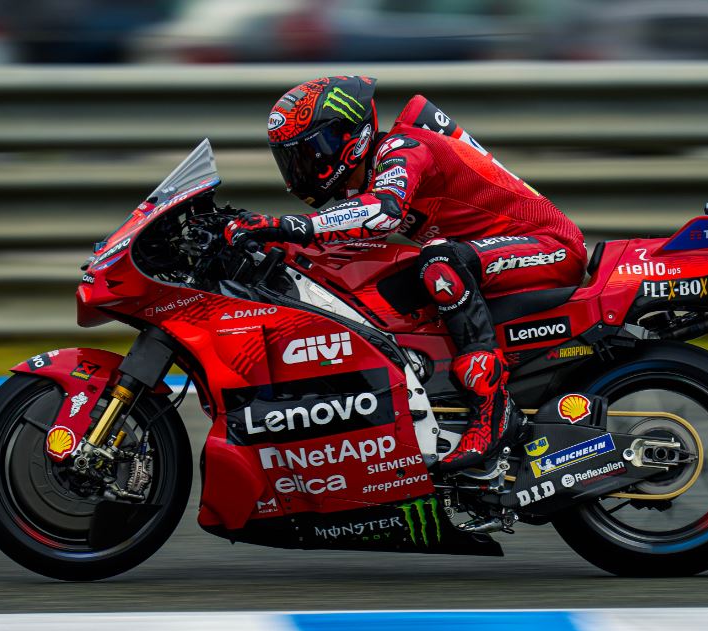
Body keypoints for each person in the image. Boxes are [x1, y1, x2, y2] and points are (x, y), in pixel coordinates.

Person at [225, 75, 587, 473]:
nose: (302, 167)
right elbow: (336, 236)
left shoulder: (403, 148)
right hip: (490, 256)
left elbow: (383, 211)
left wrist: (286, 225)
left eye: (312, 152)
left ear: (349, 137)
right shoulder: (362, 181)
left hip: (550, 247)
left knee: (438, 260)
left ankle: (494, 410)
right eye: (292, 158)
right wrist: (261, 240)